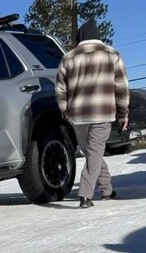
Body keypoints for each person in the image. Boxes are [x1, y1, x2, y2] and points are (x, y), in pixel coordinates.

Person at [56, 21, 130, 208]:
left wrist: (66, 111)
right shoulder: (112, 55)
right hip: (102, 112)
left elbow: (60, 90)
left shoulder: (68, 58)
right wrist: (123, 114)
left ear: (80, 37)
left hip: (77, 115)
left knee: (92, 153)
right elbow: (121, 87)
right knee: (94, 153)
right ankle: (85, 196)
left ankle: (106, 189)